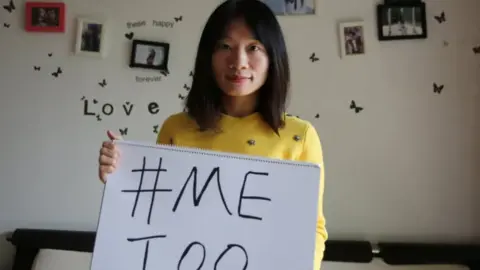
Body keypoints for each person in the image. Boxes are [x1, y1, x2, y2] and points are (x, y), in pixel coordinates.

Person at [98, 0, 328, 269]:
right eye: (225, 47)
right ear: (208, 55)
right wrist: (124, 174)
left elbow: (313, 229)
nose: (238, 62)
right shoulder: (176, 129)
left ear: (272, 57)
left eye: (253, 47)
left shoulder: (300, 137)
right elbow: (155, 217)